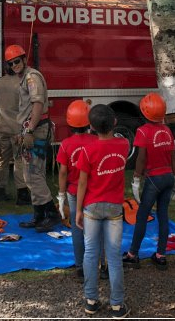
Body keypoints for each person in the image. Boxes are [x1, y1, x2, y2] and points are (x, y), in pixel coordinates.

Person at [75, 104, 129, 318]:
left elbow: (81, 183)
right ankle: (117, 305)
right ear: (115, 122)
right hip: (115, 206)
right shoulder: (124, 144)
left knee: (91, 253)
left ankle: (91, 301)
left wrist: (78, 210)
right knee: (114, 256)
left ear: (90, 126)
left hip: (92, 207)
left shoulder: (88, 150)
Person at [7, 44, 61, 233]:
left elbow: (37, 105)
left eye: (17, 61)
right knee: (31, 174)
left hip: (36, 130)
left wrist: (29, 131)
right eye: (11, 63)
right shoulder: (24, 78)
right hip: (31, 129)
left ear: (24, 59)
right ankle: (39, 215)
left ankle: (52, 215)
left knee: (33, 174)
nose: (14, 65)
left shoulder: (31, 77)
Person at [122, 92, 175, 269]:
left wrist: (136, 179)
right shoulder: (167, 130)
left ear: (144, 112)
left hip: (154, 178)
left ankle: (133, 254)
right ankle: (161, 255)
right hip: (168, 176)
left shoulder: (142, 131)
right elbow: (173, 155)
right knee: (163, 215)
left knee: (141, 216)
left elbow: (141, 158)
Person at [56, 99, 97, 280]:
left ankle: (80, 266)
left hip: (73, 192)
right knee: (96, 228)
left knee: (77, 228)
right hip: (93, 191)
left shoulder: (66, 144)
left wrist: (61, 195)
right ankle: (98, 264)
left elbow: (63, 172)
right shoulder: (96, 140)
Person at [0, 70, 29, 204]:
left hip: (3, 129)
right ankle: (22, 195)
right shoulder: (20, 83)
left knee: (2, 160)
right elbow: (26, 105)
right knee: (19, 161)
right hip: (17, 129)